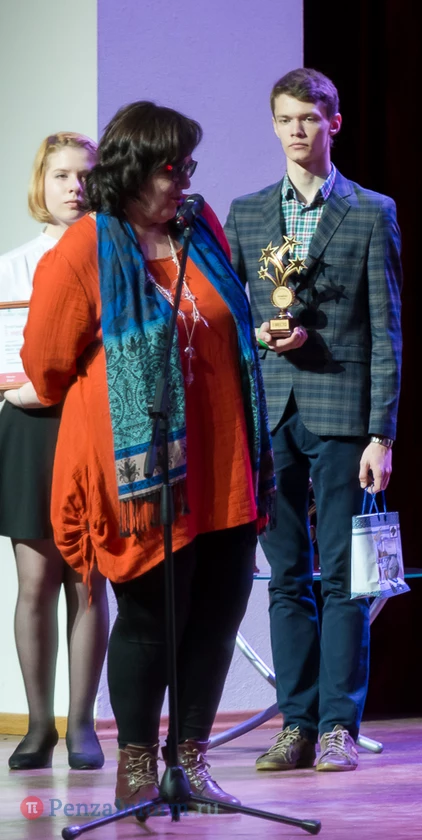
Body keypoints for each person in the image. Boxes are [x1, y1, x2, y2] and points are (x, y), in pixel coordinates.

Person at [21, 102, 275, 808]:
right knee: (150, 622)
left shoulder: (200, 227)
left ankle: (189, 763)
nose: (185, 180)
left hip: (224, 465)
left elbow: (231, 322)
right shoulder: (88, 246)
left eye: (189, 166)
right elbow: (46, 363)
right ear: (134, 170)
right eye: (172, 168)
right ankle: (136, 767)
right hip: (144, 476)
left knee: (217, 617)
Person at [226, 68, 402, 774]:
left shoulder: (370, 211)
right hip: (272, 416)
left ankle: (337, 727)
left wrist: (381, 433)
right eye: (285, 119)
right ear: (273, 126)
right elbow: (230, 316)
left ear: (333, 123)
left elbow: (387, 329)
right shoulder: (246, 214)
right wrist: (262, 336)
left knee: (345, 578)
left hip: (342, 416)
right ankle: (295, 723)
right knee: (286, 577)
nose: (296, 130)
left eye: (308, 118)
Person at [1, 132, 107, 771]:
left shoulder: (115, 258)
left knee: (87, 576)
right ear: (41, 183)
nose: (75, 187)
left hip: (92, 425)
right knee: (36, 578)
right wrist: (24, 387)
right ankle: (38, 725)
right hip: (30, 426)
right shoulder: (13, 265)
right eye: (62, 175)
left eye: (85, 175)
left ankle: (83, 724)